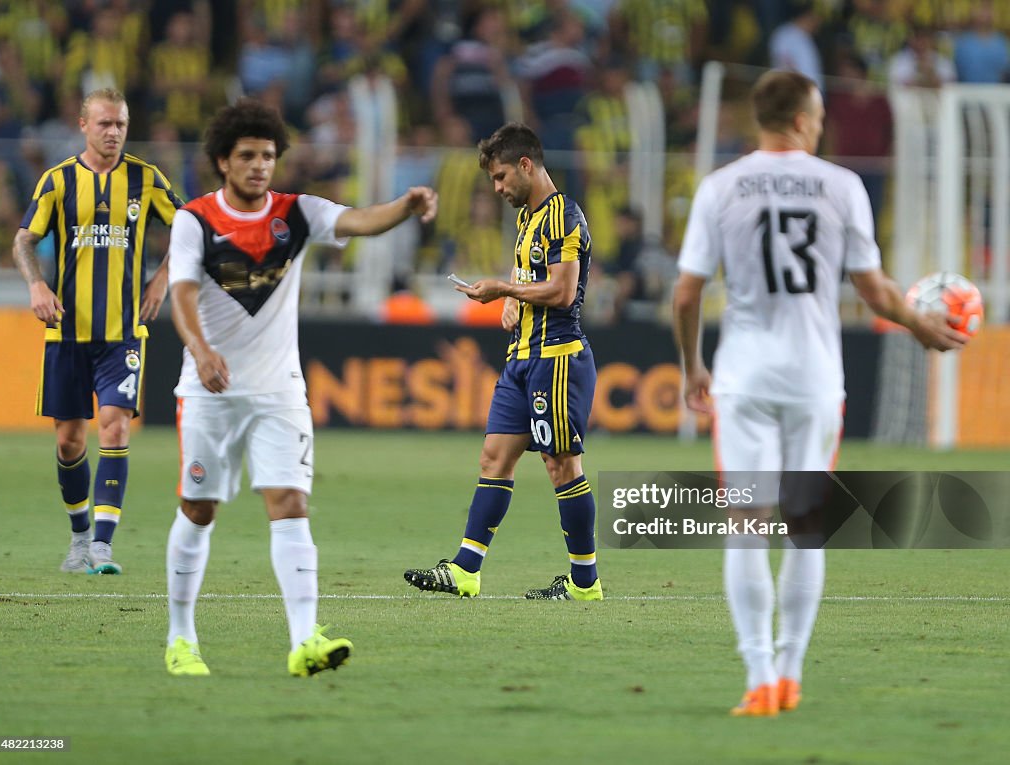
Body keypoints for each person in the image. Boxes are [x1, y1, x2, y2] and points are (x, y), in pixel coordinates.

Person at [671, 70, 965, 717]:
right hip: (814, 379)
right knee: (805, 529)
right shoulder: (843, 186)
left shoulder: (721, 187)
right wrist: (924, 328)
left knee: (745, 527)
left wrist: (693, 364)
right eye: (821, 114)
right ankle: (791, 670)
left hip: (743, 376)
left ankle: (756, 677)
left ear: (760, 118)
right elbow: (878, 291)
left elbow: (687, 291)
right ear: (804, 119)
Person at [164, 99, 437, 677]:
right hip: (209, 389)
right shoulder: (195, 220)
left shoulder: (298, 212)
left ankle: (304, 639)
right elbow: (181, 296)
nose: (260, 166)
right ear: (223, 161)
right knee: (199, 508)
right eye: (247, 156)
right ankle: (181, 639)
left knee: (290, 505)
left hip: (279, 390)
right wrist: (201, 349)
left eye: (267, 155)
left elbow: (360, 220)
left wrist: (406, 206)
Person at [404, 122, 601, 601]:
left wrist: (504, 289)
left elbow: (562, 290)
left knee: (561, 465)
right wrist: (512, 300)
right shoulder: (528, 220)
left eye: (500, 177)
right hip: (520, 359)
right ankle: (466, 569)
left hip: (555, 359)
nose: (497, 188)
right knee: (494, 456)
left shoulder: (563, 215)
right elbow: (528, 272)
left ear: (526, 166)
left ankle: (584, 583)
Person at [12, 87, 184, 576]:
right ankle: (79, 537)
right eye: (105, 124)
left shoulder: (146, 179)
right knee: (69, 441)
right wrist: (37, 285)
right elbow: (24, 239)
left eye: (121, 124)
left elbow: (191, 225)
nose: (114, 132)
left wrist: (162, 277)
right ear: (83, 125)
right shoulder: (58, 180)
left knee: (115, 422)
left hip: (123, 332)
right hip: (66, 332)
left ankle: (103, 548)